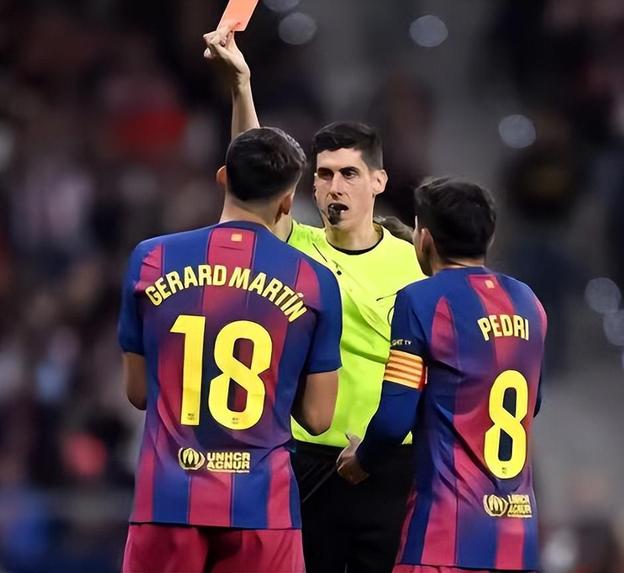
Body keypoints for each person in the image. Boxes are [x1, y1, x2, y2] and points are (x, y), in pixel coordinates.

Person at [203, 24, 425, 573]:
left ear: (378, 181)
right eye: (324, 175)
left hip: (390, 462)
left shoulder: (416, 263)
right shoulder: (295, 247)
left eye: (349, 174)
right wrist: (241, 87)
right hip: (306, 458)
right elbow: (253, 170)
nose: (335, 187)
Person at [118, 127, 342, 573]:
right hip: (262, 507)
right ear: (287, 201)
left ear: (222, 177)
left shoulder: (151, 260)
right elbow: (318, 419)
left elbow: (138, 393)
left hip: (167, 501)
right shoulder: (313, 280)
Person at [338, 177, 546, 573]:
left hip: (445, 534)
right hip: (517, 538)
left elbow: (393, 421)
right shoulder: (528, 302)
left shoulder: (421, 300)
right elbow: (532, 403)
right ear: (489, 235)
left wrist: (362, 460)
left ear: (424, 239)